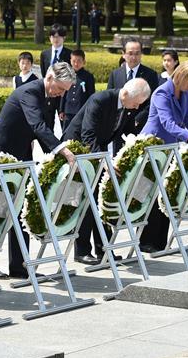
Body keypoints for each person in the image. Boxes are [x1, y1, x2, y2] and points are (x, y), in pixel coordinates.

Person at [0, 63, 78, 279]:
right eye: (60, 89)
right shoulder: (29, 91)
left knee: (20, 208)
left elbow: (47, 128)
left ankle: (19, 267)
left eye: (64, 91)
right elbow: (37, 125)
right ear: (49, 77)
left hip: (22, 153)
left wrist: (51, 157)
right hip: (0, 153)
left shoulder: (52, 94)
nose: (61, 94)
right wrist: (62, 151)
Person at [62, 79, 152, 263]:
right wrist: (104, 161)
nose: (136, 108)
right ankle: (82, 251)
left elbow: (129, 133)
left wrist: (137, 149)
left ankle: (104, 249)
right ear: (126, 95)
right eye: (136, 104)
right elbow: (87, 135)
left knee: (100, 200)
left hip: (98, 152)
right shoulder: (100, 100)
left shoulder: (127, 106)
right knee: (87, 201)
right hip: (79, 151)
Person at [138, 61, 188, 251]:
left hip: (169, 148)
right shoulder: (161, 93)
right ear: (181, 76)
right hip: (153, 147)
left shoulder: (184, 94)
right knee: (151, 195)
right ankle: (146, 241)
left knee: (166, 193)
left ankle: (160, 242)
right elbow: (168, 123)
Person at [106, 38, 160, 135]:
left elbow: (153, 101)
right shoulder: (115, 74)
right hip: (118, 127)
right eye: (130, 53)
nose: (134, 57)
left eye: (137, 53)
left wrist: (138, 119)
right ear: (123, 54)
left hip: (140, 127)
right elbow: (110, 98)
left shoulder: (150, 74)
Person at [59, 49, 95, 132]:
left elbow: (91, 95)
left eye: (79, 61)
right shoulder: (67, 75)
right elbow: (63, 93)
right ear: (70, 61)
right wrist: (61, 109)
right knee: (66, 132)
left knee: (79, 132)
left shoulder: (88, 76)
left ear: (84, 61)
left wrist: (89, 110)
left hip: (81, 109)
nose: (76, 63)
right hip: (68, 109)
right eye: (74, 61)